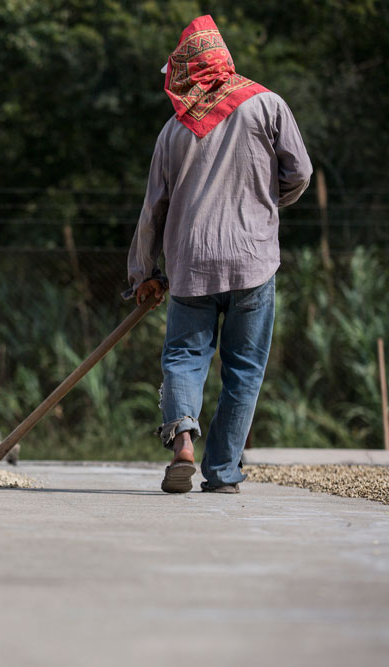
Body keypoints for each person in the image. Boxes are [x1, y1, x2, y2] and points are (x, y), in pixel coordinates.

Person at [126, 15, 312, 494]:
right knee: (243, 370)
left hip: (191, 265)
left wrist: (143, 272)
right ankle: (223, 473)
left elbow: (153, 211)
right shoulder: (268, 104)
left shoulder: (173, 131)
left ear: (187, 69)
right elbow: (300, 173)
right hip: (253, 260)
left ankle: (183, 440)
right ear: (224, 62)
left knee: (185, 356)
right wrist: (266, 204)